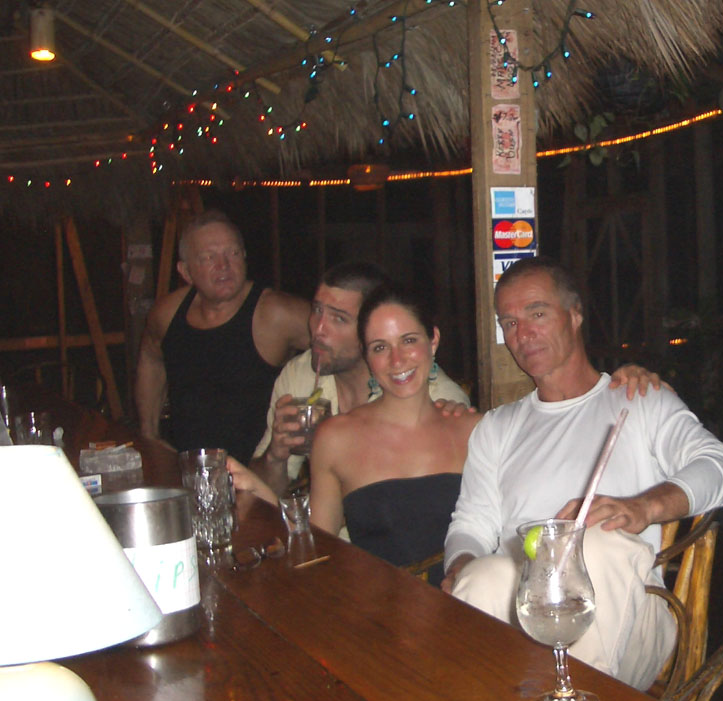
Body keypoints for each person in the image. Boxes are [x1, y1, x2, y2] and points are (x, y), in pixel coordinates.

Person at [443, 256, 723, 691]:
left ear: (575, 315)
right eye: (509, 323)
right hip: (530, 609)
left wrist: (643, 506)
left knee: (596, 538)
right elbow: (472, 524)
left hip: (629, 618)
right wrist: (460, 565)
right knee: (482, 577)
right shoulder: (497, 427)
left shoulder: (639, 399)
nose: (522, 334)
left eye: (537, 314)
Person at [302, 279, 666, 583]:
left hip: (475, 609)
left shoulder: (477, 431)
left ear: (433, 341)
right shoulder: (335, 439)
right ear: (367, 356)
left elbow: (544, 492)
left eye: (409, 340)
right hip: (377, 617)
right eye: (380, 347)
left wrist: (623, 381)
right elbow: (317, 554)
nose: (397, 360)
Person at [250, 262, 470, 495]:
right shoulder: (301, 374)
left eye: (339, 318)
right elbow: (258, 496)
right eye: (317, 310)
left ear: (371, 329)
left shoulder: (435, 397)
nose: (318, 330)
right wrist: (275, 456)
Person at [136, 210, 309, 461]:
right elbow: (151, 357)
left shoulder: (275, 314)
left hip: (258, 474)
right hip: (189, 470)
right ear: (186, 271)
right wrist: (149, 433)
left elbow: (344, 342)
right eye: (208, 257)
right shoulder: (167, 313)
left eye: (233, 253)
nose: (224, 265)